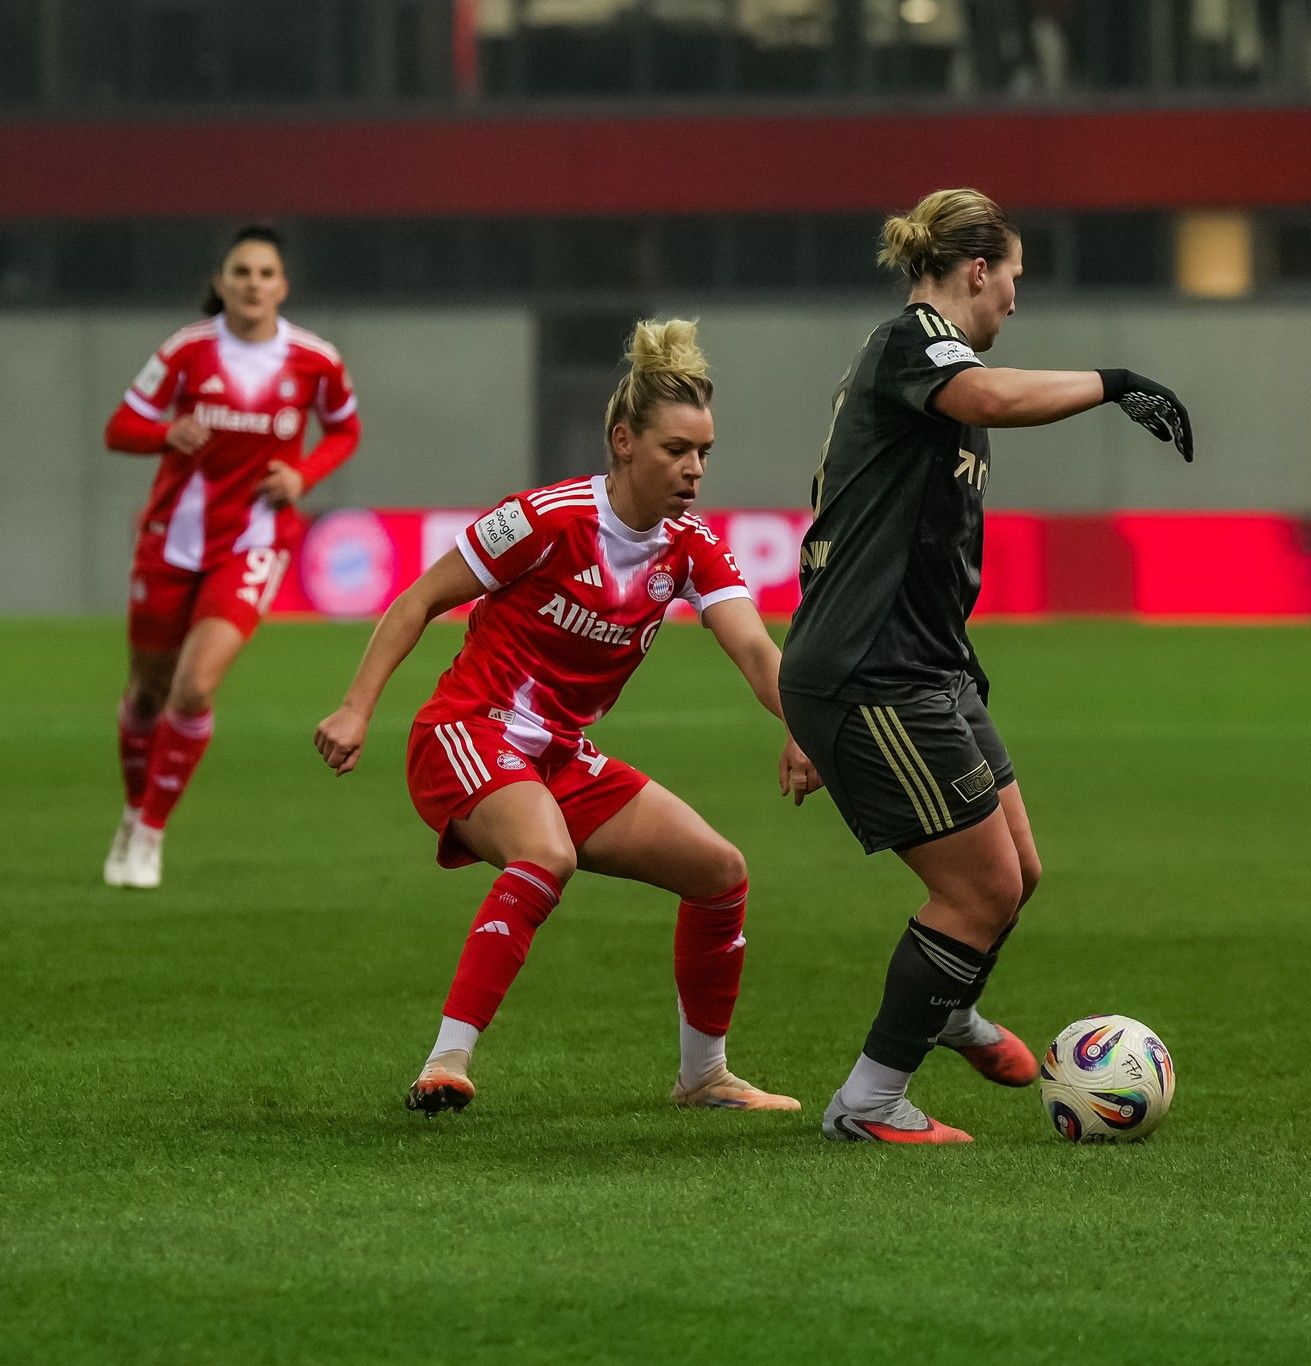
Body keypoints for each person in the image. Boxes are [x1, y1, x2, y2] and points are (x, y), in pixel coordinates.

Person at [313, 320, 818, 1116]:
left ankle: (704, 1077)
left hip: (555, 754)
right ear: (624, 441)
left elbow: (758, 652)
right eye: (676, 449)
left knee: (719, 873)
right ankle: (446, 1062)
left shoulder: (691, 548)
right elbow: (419, 599)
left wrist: (804, 727)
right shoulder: (542, 519)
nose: (694, 469)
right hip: (465, 731)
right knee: (545, 854)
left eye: (704, 452)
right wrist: (355, 707)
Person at [780, 188, 1193, 1144]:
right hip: (874, 671)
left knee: (1021, 871)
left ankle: (947, 1005)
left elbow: (855, 529)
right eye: (1012, 278)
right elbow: (991, 398)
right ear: (976, 271)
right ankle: (869, 1102)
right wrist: (1115, 381)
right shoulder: (912, 346)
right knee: (980, 890)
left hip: (928, 666)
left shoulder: (930, 375)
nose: (1016, 298)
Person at [102, 224, 361, 889]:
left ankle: (151, 835)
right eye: (241, 273)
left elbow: (344, 428)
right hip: (172, 540)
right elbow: (120, 428)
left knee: (194, 687)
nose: (253, 285)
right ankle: (133, 814)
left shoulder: (314, 359)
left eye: (266, 273)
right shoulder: (187, 353)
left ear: (283, 285)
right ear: (221, 284)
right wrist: (167, 433)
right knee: (146, 693)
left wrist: (302, 476)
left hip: (252, 542)